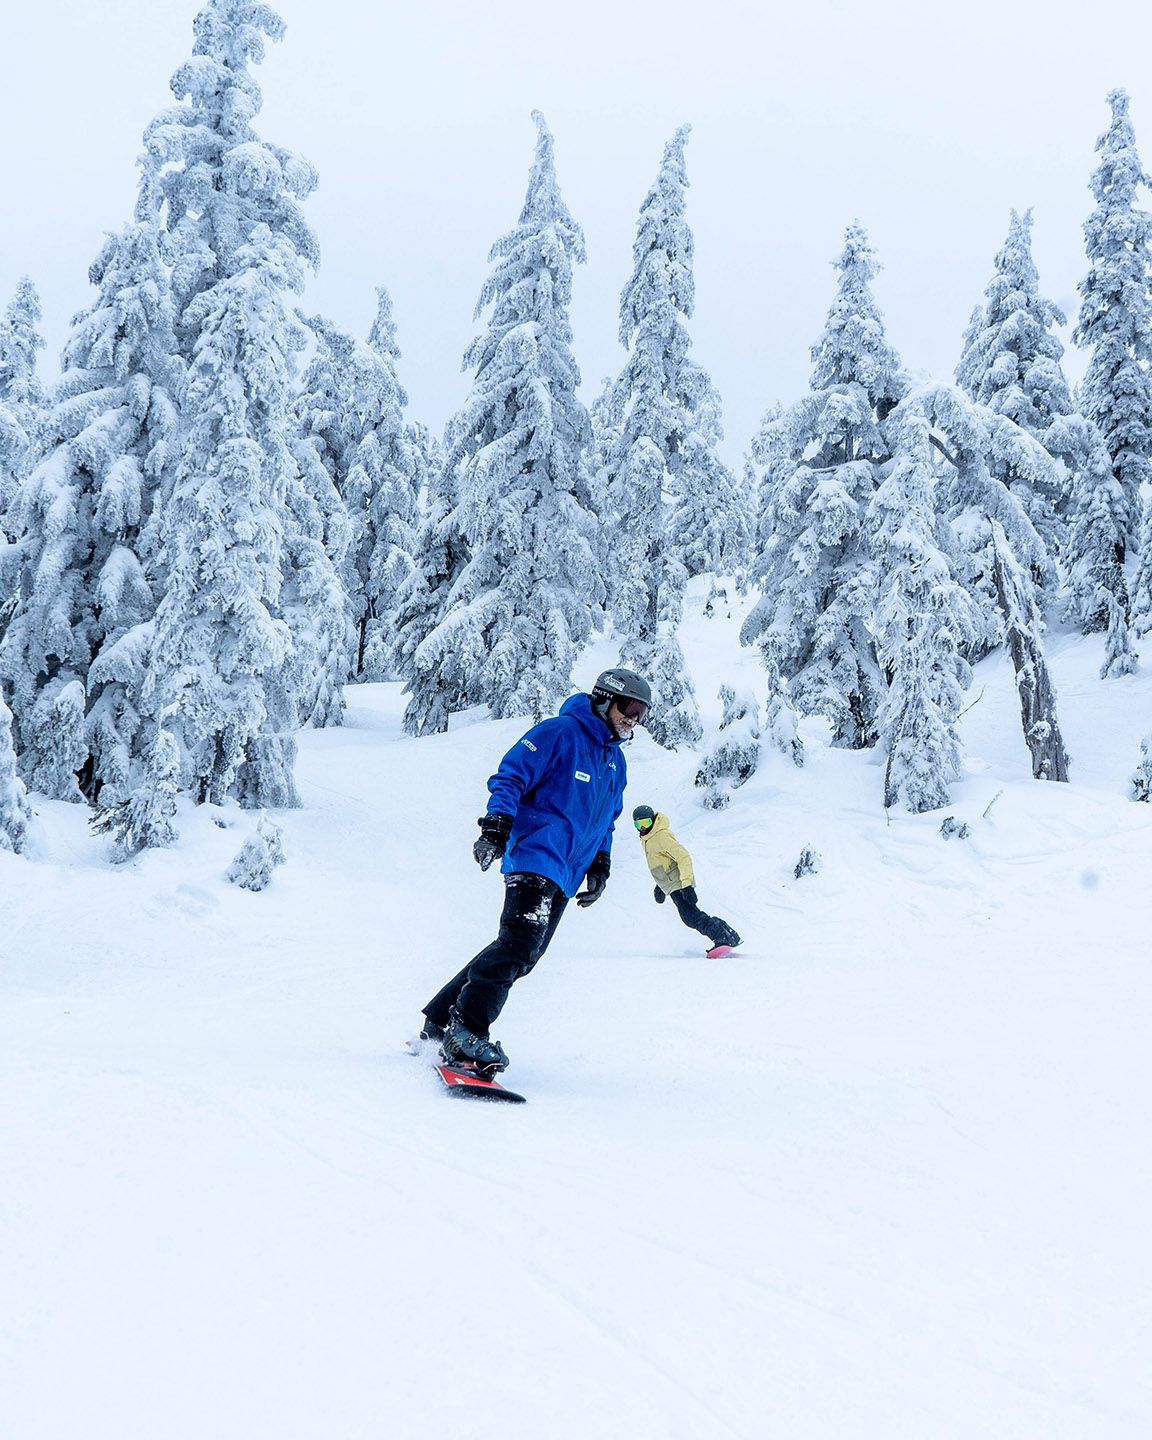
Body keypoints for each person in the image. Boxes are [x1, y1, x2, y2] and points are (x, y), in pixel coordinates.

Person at [420, 668, 652, 1073]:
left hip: (566, 871)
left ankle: (442, 1017)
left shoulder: (615, 762)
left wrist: (601, 863)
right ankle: (466, 1030)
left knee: (524, 952)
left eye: (640, 712)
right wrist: (496, 826)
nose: (632, 719)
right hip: (535, 854)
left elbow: (607, 821)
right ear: (602, 699)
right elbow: (510, 775)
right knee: (519, 943)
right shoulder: (560, 732)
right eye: (627, 707)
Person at [632, 805, 741, 956]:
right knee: (691, 916)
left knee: (690, 916)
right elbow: (663, 863)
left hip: (680, 883)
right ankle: (728, 934)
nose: (643, 828)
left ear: (653, 820)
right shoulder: (647, 839)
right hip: (671, 884)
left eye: (646, 823)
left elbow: (683, 857)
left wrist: (687, 885)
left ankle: (722, 937)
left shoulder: (660, 836)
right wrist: (660, 887)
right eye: (638, 824)